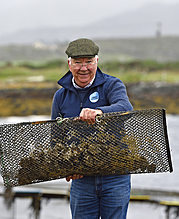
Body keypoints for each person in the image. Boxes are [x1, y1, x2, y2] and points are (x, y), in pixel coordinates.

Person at [50, 38, 133, 219]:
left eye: (89, 62)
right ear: (69, 64)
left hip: (115, 175)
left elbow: (126, 108)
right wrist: (65, 166)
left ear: (97, 61)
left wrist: (99, 111)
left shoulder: (112, 85)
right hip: (82, 180)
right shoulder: (60, 96)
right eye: (78, 63)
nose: (84, 68)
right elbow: (56, 138)